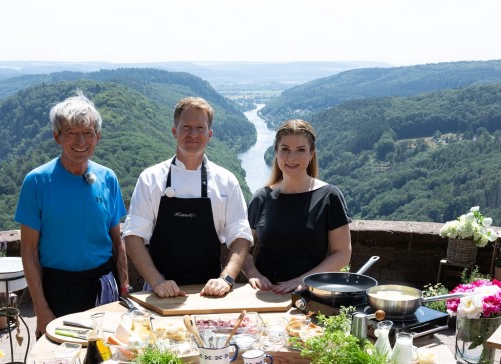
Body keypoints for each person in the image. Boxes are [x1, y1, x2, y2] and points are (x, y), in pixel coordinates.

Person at [15, 91, 128, 335]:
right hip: (58, 289)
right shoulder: (37, 181)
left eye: (87, 133)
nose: (81, 141)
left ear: (97, 137)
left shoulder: (108, 178)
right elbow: (29, 251)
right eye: (71, 133)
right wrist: (41, 310)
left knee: (108, 360)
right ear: (57, 137)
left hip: (104, 286)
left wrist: (125, 288)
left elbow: (117, 241)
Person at [123, 97, 252, 298]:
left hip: (210, 292)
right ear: (174, 131)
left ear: (209, 134)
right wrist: (157, 281)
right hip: (161, 292)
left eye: (200, 128)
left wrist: (225, 279)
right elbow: (132, 237)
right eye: (186, 127)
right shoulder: (150, 179)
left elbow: (241, 237)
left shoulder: (226, 181)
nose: (193, 134)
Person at [241, 119, 351, 294]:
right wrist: (253, 273)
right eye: (285, 149)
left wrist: (304, 281)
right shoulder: (261, 198)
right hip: (264, 294)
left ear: (311, 153)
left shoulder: (329, 196)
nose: (291, 158)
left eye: (300, 150)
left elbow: (342, 254)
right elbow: (241, 248)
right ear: (276, 152)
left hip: (310, 295)